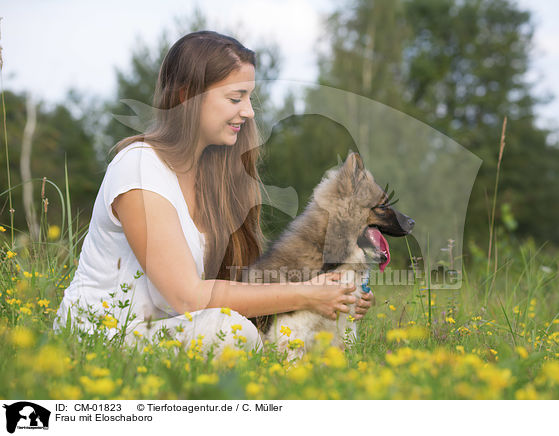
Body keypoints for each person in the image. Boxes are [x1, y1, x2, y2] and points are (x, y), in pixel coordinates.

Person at [53, 30, 373, 353]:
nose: (248, 111)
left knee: (262, 335)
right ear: (186, 96)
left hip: (161, 333)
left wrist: (335, 295)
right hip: (98, 337)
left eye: (249, 98)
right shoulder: (139, 167)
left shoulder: (213, 180)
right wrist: (307, 293)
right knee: (234, 333)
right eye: (236, 98)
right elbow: (186, 296)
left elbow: (234, 290)